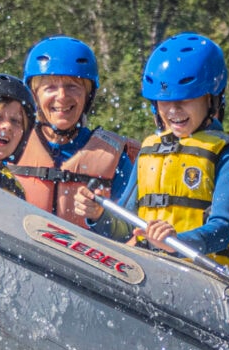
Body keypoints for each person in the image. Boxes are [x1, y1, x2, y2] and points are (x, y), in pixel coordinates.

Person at [74, 31, 229, 266]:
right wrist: (98, 215)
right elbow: (126, 226)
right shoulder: (150, 151)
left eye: (186, 99)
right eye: (165, 101)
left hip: (205, 276)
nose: (174, 110)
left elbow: (223, 229)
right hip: (149, 268)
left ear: (211, 99)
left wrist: (177, 241)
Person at [10, 36, 138, 229]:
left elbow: (130, 230)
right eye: (50, 87)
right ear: (34, 95)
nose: (62, 97)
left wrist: (99, 217)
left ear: (88, 96)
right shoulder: (11, 143)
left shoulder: (116, 157)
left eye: (72, 86)